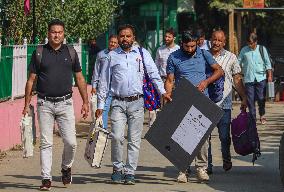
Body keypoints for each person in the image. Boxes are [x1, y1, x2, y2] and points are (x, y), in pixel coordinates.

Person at [95, 24, 171, 185]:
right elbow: (103, 82)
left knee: (134, 140)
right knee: (116, 136)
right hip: (117, 102)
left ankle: (129, 172)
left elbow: (153, 73)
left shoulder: (142, 53)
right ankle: (117, 168)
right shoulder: (111, 56)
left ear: (133, 38)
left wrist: (163, 92)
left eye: (128, 36)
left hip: (137, 102)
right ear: (118, 38)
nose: (125, 39)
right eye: (122, 36)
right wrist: (100, 105)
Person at [22, 19, 89, 191]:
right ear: (48, 33)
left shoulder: (71, 52)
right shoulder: (39, 52)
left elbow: (80, 78)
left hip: (65, 103)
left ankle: (66, 167)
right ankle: (46, 178)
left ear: (63, 34)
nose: (56, 35)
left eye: (59, 32)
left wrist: (86, 102)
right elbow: (31, 80)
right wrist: (26, 103)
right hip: (44, 103)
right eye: (53, 32)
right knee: (46, 143)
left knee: (71, 142)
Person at [164, 30, 223, 183]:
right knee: (183, 136)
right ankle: (183, 169)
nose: (190, 49)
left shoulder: (204, 54)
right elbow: (170, 80)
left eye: (193, 46)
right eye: (187, 46)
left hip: (202, 101)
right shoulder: (174, 57)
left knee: (202, 137)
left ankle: (201, 168)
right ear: (181, 43)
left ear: (197, 42)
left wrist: (205, 82)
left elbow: (219, 71)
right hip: (182, 100)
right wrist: (168, 94)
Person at [207, 30, 247, 174]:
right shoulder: (204, 55)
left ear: (224, 42)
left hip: (224, 105)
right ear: (211, 39)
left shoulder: (231, 57)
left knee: (224, 137)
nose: (216, 43)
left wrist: (244, 97)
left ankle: (226, 158)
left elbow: (237, 79)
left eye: (220, 40)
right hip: (206, 104)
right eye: (214, 39)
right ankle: (208, 165)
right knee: (206, 138)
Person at [238, 32, 272, 124]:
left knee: (261, 98)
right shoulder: (244, 50)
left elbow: (267, 63)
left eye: (251, 43)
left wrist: (269, 76)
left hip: (261, 78)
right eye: (248, 43)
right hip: (249, 78)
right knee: (250, 100)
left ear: (256, 41)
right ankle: (252, 118)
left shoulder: (262, 49)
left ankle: (262, 114)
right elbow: (238, 62)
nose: (249, 45)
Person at [149, 28, 180, 127]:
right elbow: (156, 65)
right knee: (164, 104)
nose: (166, 38)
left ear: (174, 38)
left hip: (175, 80)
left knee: (176, 103)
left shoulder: (178, 49)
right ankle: (165, 126)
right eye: (165, 36)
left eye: (169, 37)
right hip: (163, 79)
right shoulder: (160, 50)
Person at [91, 35, 119, 129]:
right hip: (104, 88)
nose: (112, 44)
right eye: (111, 42)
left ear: (118, 44)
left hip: (117, 88)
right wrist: (94, 86)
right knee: (103, 110)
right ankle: (103, 131)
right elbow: (96, 71)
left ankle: (116, 131)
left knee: (117, 111)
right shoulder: (101, 54)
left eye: (115, 42)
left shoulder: (120, 55)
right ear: (108, 42)